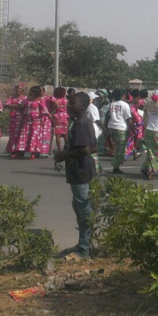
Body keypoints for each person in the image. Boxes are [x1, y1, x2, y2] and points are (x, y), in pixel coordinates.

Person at [55, 92, 97, 261]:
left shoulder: (80, 124)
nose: (68, 106)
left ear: (83, 106)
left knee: (83, 209)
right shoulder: (83, 122)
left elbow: (86, 149)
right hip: (82, 170)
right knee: (81, 207)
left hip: (80, 171)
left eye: (72, 104)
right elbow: (93, 147)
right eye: (68, 103)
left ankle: (83, 248)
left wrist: (65, 155)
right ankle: (83, 243)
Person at [15, 86, 54, 160]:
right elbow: (24, 109)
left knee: (34, 137)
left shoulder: (40, 101)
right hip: (27, 121)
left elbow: (45, 111)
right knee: (24, 136)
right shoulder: (27, 100)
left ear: (36, 92)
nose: (30, 92)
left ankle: (33, 153)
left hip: (36, 122)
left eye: (32, 91)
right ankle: (21, 152)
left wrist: (52, 119)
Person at [104, 90, 133, 174]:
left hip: (111, 127)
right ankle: (116, 165)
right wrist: (132, 129)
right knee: (121, 148)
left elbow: (107, 116)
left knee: (117, 147)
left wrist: (105, 128)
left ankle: (116, 164)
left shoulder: (111, 104)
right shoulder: (124, 105)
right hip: (121, 128)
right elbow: (128, 118)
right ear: (122, 96)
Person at [4, 83, 28, 156]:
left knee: (21, 134)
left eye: (20, 89)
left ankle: (20, 151)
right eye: (17, 88)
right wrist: (18, 106)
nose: (18, 90)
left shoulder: (25, 98)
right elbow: (6, 105)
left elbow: (23, 107)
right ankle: (13, 150)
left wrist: (12, 106)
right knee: (13, 134)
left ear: (23, 90)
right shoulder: (11, 97)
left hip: (22, 118)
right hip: (13, 118)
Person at [85, 92, 105, 174]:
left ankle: (96, 167)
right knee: (93, 149)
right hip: (93, 129)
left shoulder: (85, 107)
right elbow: (97, 120)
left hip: (87, 129)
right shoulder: (92, 108)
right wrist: (104, 129)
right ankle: (96, 168)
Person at [51, 87, 69, 152]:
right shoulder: (65, 100)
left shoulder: (55, 100)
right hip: (65, 117)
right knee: (65, 134)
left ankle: (59, 150)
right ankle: (67, 148)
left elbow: (53, 108)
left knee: (58, 134)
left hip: (57, 116)